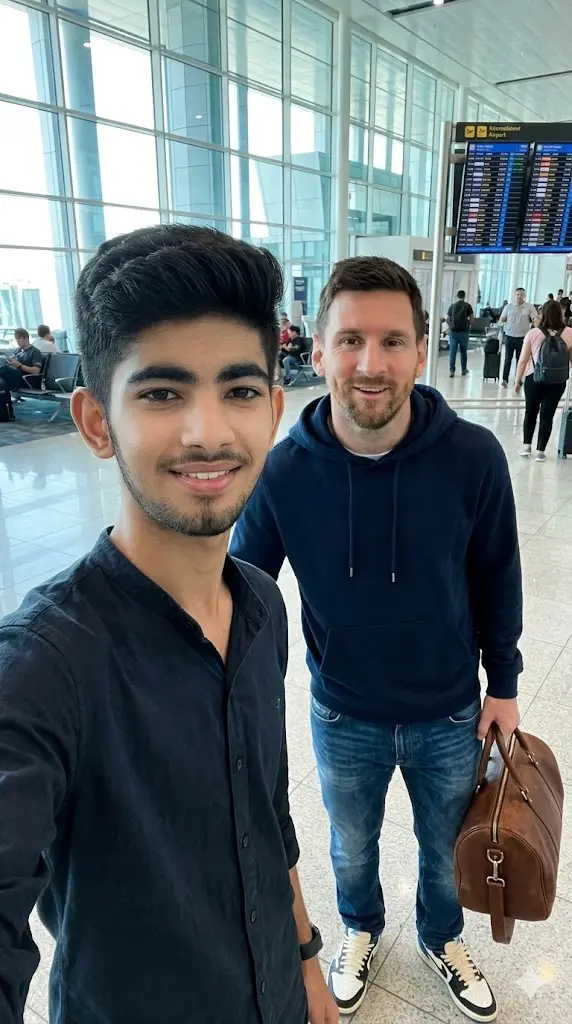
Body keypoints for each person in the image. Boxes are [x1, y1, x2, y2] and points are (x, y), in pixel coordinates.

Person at [0, 225, 337, 1024]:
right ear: (95, 421)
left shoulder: (262, 604)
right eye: (161, 392)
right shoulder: (41, 669)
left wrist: (306, 960)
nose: (208, 432)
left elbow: (268, 813)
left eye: (240, 390)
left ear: (275, 410)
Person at [231, 256, 522, 1022]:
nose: (371, 363)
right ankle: (360, 928)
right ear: (317, 350)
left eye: (393, 341)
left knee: (441, 848)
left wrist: (506, 685)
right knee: (352, 847)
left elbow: (498, 574)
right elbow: (241, 591)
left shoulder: (472, 459)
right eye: (351, 340)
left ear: (421, 352)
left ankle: (442, 935)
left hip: (450, 712)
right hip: (343, 713)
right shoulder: (285, 472)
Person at [515, 299, 572, 462]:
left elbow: (523, 360)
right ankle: (541, 451)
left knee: (531, 412)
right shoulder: (569, 333)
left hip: (534, 378)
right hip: (558, 381)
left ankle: (526, 446)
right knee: (548, 415)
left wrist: (517, 381)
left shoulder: (533, 333)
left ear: (543, 314)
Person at [499, 287, 537, 388]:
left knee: (520, 359)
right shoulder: (508, 307)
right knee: (508, 358)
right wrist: (501, 321)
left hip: (523, 337)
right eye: (517, 294)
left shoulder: (529, 307)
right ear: (514, 295)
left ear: (524, 296)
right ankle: (505, 379)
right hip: (509, 336)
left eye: (521, 294)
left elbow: (535, 319)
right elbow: (501, 319)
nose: (519, 296)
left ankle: (518, 379)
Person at [0, 327, 44, 391]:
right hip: (13, 377)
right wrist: (10, 363)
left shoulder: (35, 352)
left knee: (4, 369)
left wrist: (19, 365)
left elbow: (36, 371)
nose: (17, 342)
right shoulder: (17, 350)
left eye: (18, 339)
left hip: (25, 379)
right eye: (16, 339)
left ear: (26, 338)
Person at [446, 289, 473, 377]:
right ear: (464, 296)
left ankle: (452, 371)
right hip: (464, 333)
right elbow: (472, 321)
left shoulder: (452, 306)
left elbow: (447, 319)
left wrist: (451, 327)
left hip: (453, 333)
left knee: (452, 352)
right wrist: (468, 322)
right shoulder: (468, 306)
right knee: (463, 352)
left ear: (457, 296)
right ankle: (464, 370)